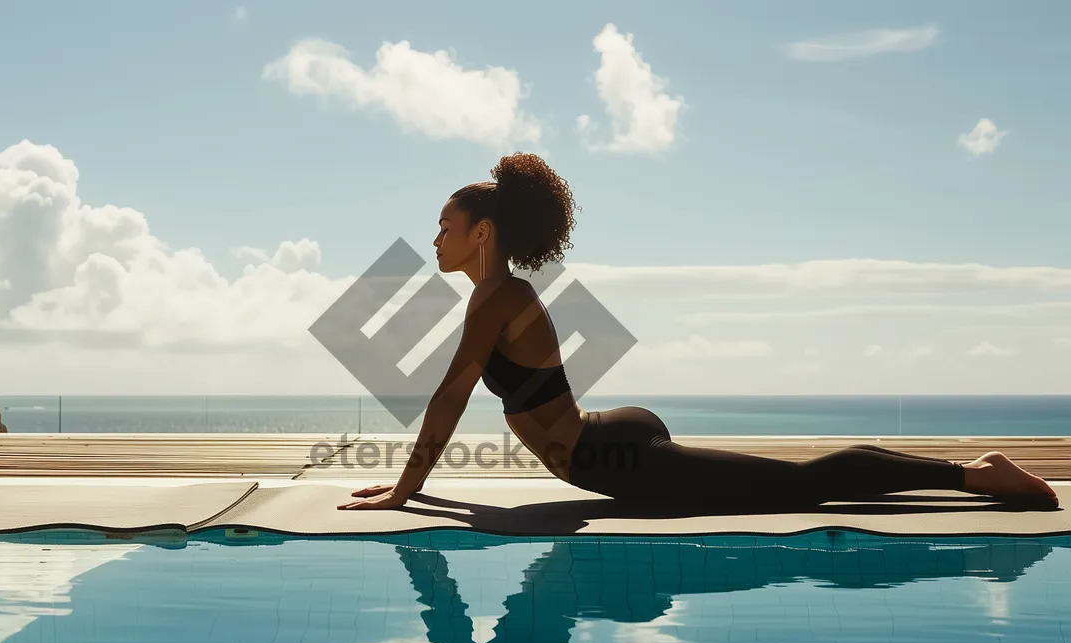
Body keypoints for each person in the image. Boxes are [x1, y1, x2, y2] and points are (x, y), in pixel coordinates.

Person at [338, 153, 1059, 511]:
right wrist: (418, 490)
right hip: (607, 442)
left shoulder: (498, 297)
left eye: (445, 225)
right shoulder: (496, 294)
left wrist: (407, 490)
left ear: (482, 232)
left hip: (611, 455)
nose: (435, 238)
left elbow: (451, 395)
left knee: (802, 489)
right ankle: (969, 473)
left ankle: (977, 476)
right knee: (792, 485)